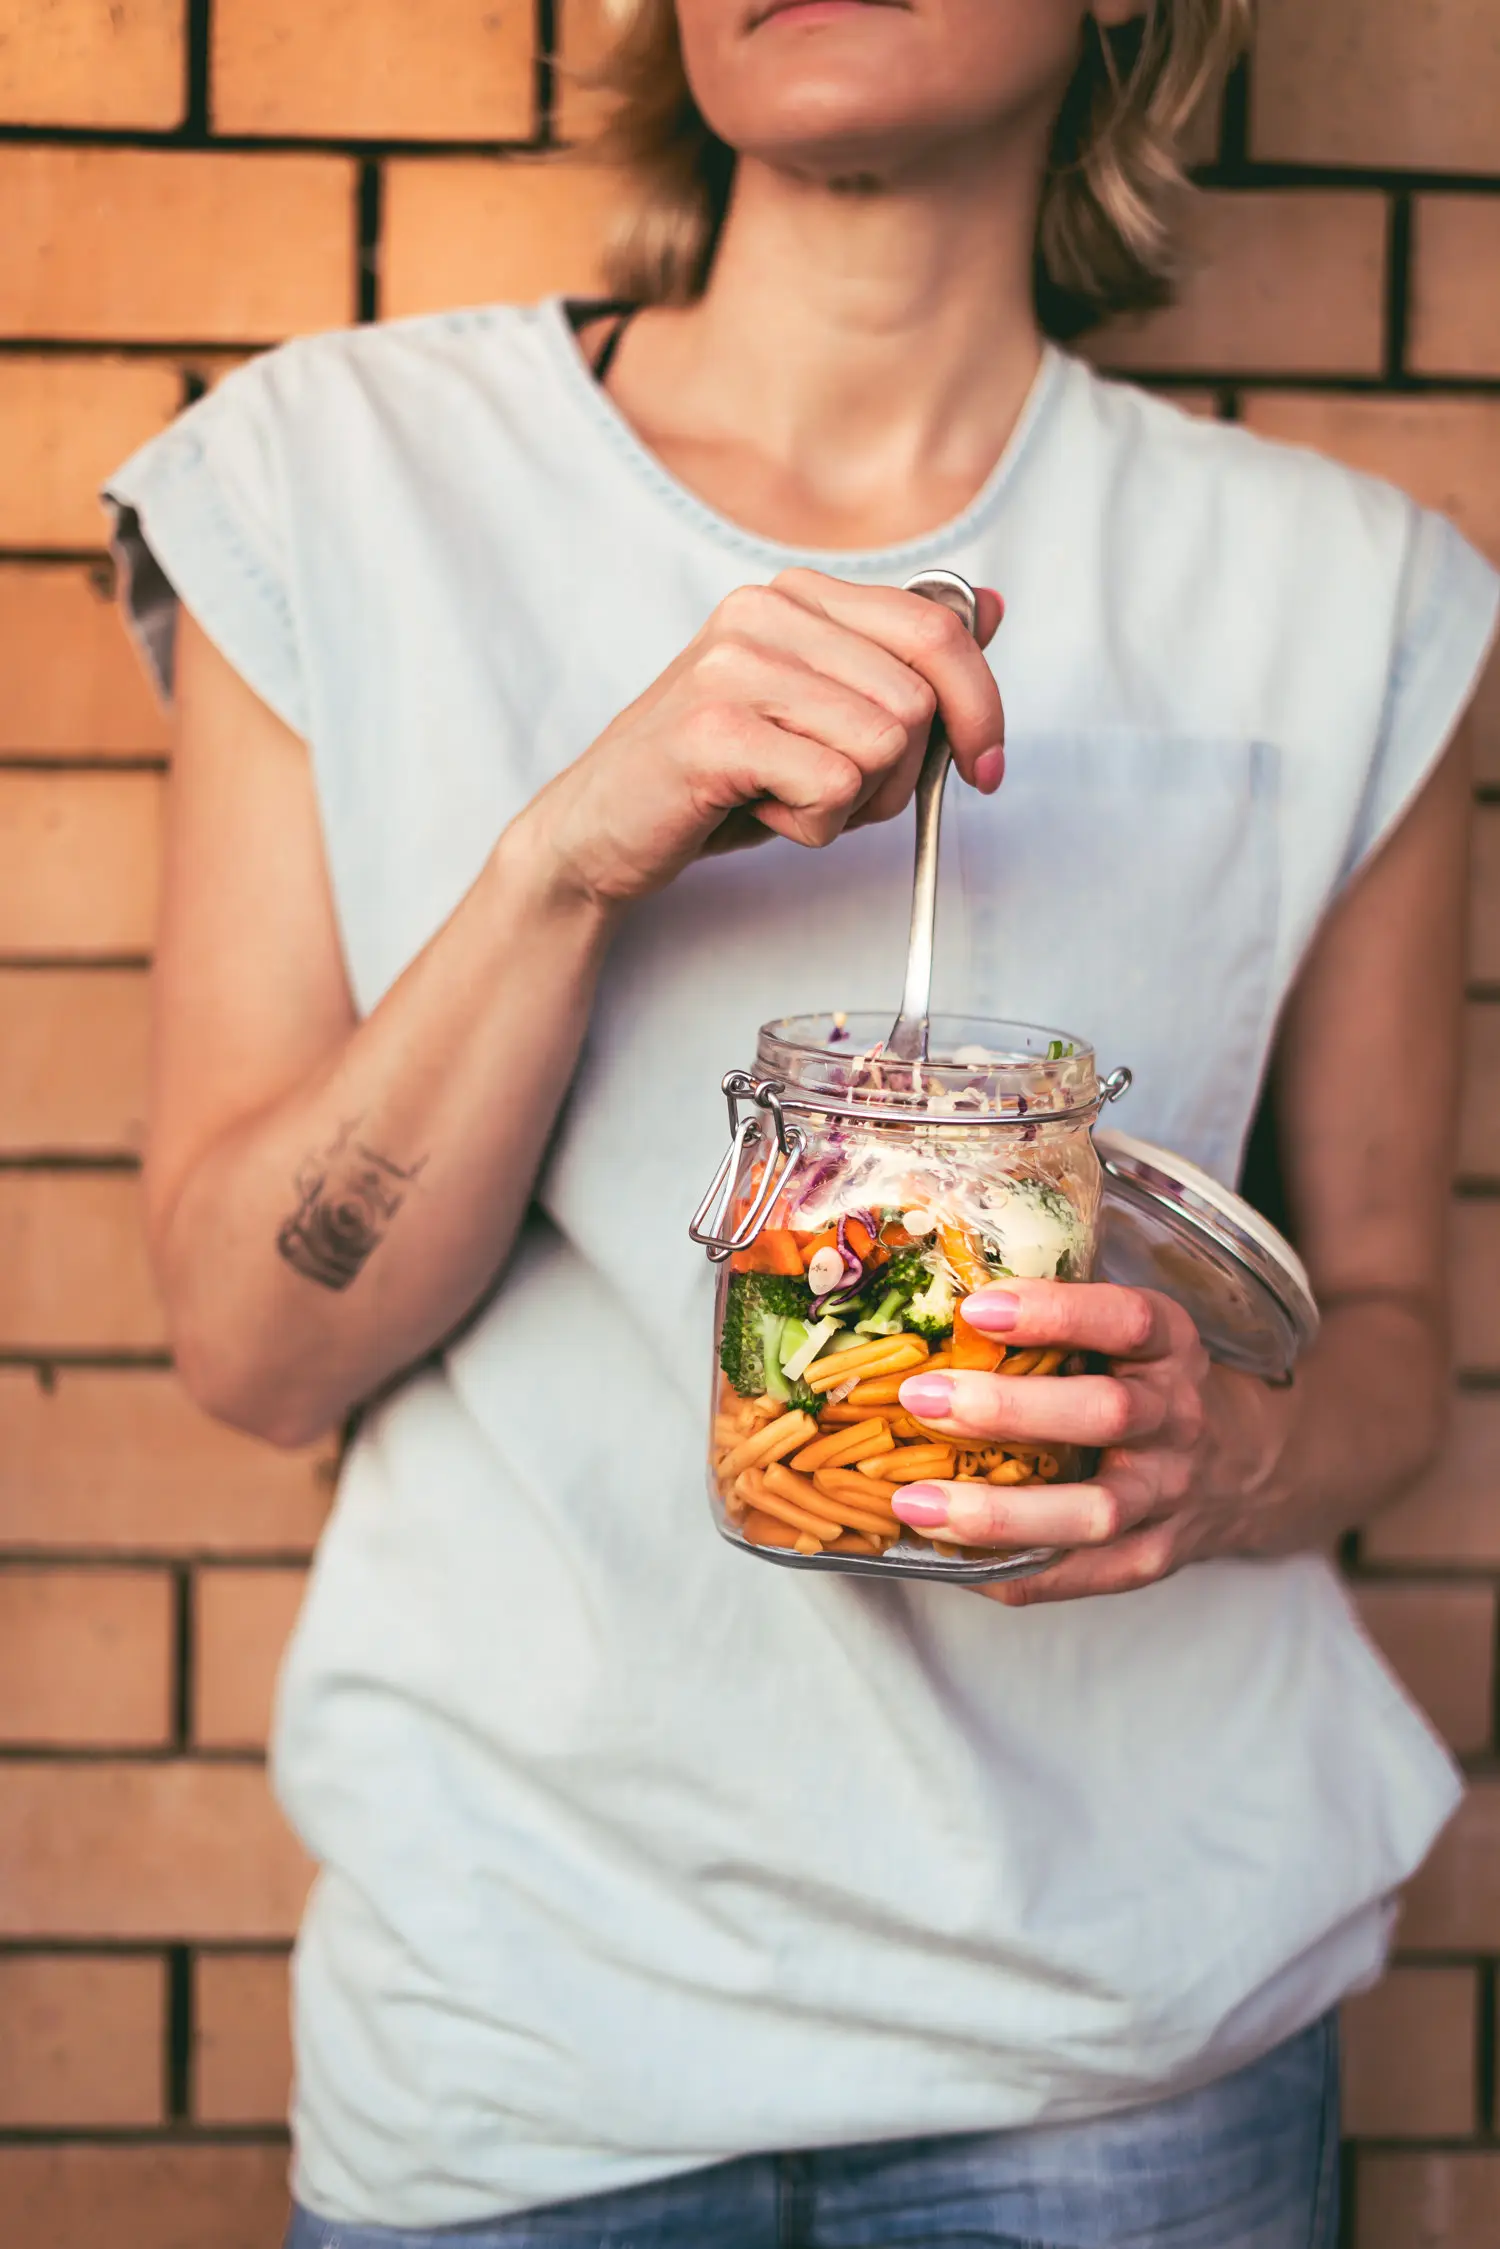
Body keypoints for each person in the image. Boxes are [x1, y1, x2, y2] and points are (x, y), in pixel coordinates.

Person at [105, 1, 1497, 2243]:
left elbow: (1397, 1336)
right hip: (524, 2030)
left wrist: (1233, 1446)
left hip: (1128, 2043)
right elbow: (259, 1354)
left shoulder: (1348, 598)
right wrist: (566, 860)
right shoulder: (335, 481)